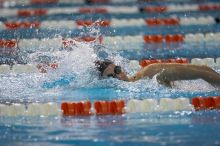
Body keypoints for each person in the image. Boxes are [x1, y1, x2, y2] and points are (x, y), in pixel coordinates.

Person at [95, 59, 220, 88]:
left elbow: (203, 72)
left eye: (117, 70)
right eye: (112, 76)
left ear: (122, 68)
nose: (118, 76)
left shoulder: (151, 72)